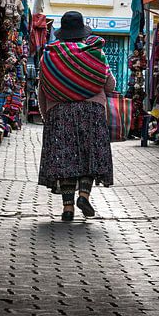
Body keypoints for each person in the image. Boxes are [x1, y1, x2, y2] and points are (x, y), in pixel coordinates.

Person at [37, 11, 116, 221]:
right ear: (82, 33)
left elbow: (42, 89)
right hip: (92, 112)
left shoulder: (49, 55)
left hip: (59, 113)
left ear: (62, 33)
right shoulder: (94, 53)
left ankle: (68, 208)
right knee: (89, 156)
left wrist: (47, 116)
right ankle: (84, 195)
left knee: (65, 160)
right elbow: (109, 85)